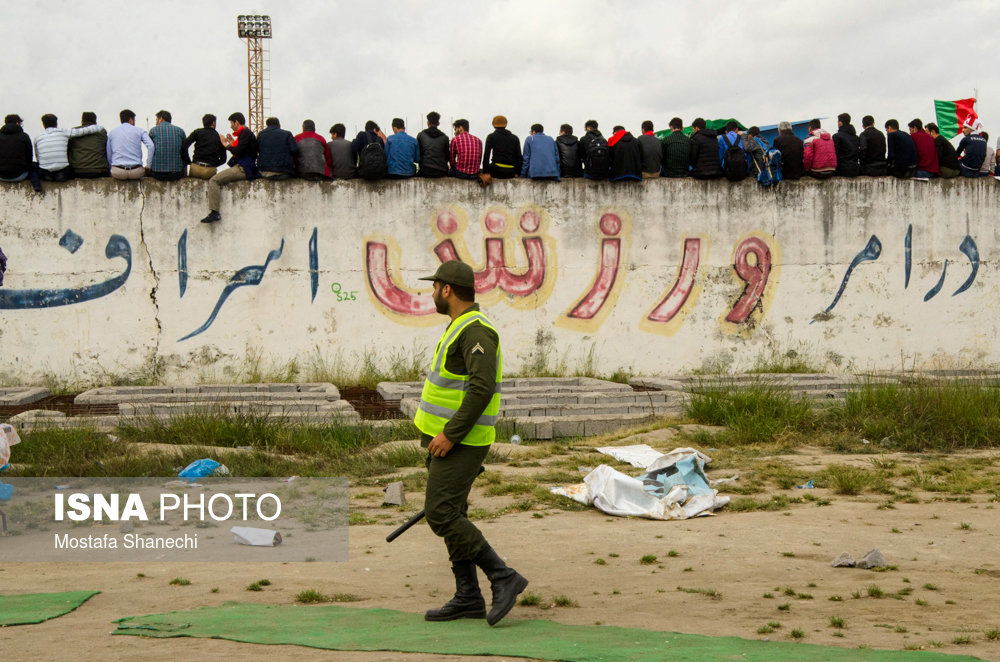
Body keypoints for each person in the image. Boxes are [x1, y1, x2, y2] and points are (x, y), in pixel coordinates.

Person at [413, 260, 528, 626]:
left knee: (441, 513)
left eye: (434, 287)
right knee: (454, 514)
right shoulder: (459, 327)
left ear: (446, 289)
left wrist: (450, 435)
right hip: (445, 441)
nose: (432, 293)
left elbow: (480, 390)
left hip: (461, 441)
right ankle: (467, 597)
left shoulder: (476, 331)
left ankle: (503, 576)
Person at [200, 112, 257, 224]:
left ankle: (214, 212)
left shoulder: (245, 133)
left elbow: (238, 152)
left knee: (214, 180)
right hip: (244, 167)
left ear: (236, 122)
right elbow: (240, 150)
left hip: (243, 168)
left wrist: (226, 144)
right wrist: (232, 144)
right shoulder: (245, 133)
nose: (231, 126)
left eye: (231, 123)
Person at [34, 113, 103, 182]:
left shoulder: (37, 138)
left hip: (44, 172)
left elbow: (38, 157)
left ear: (43, 124)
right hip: (63, 171)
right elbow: (83, 131)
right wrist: (99, 127)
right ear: (56, 123)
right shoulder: (63, 132)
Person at [106, 109, 153, 180]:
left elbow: (109, 154)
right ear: (131, 120)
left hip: (118, 172)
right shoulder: (140, 130)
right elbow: (151, 146)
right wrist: (148, 166)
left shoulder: (112, 133)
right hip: (136, 172)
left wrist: (111, 167)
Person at [0, 114, 41, 191]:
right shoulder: (24, 136)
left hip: (1, 175)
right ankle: (37, 186)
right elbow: (29, 157)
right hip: (20, 174)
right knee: (33, 166)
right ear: (17, 123)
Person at [182, 114, 227, 180]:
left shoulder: (197, 132)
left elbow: (184, 146)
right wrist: (213, 164)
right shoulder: (220, 137)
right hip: (210, 170)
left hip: (196, 168)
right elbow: (223, 159)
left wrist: (188, 161)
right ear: (213, 123)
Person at [147, 110, 187, 181]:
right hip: (176, 174)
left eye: (156, 120)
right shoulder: (180, 131)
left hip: (157, 174)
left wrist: (148, 167)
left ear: (161, 119)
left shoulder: (153, 131)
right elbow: (184, 152)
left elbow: (151, 149)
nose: (156, 122)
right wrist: (185, 173)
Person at [68, 112, 110, 179]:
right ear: (96, 123)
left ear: (82, 121)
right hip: (99, 171)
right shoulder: (101, 132)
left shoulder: (73, 132)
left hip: (77, 171)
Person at [418, 112, 450, 178]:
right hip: (441, 171)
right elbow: (447, 157)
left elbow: (419, 155)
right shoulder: (445, 137)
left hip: (425, 170)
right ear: (438, 123)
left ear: (428, 123)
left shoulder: (421, 135)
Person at [832, 113, 860, 177]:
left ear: (840, 123)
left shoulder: (836, 136)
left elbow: (834, 154)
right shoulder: (856, 137)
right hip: (855, 169)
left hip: (842, 169)